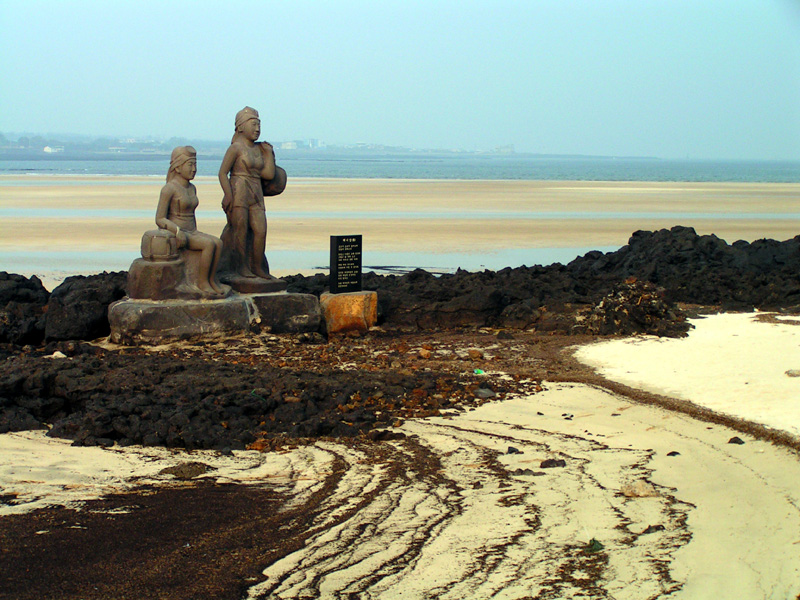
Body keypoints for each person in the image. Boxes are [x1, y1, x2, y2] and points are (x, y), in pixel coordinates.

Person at [156, 146, 228, 297]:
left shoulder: (192, 188)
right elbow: (159, 218)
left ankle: (211, 280)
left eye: (195, 164)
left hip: (192, 231)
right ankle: (202, 283)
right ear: (178, 167)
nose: (194, 169)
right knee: (208, 244)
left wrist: (196, 232)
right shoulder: (169, 189)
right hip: (180, 233)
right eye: (190, 165)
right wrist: (176, 231)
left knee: (218, 243)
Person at [218, 106, 278, 279]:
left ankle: (257, 267)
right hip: (239, 188)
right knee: (241, 230)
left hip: (256, 190)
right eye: (253, 124)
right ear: (241, 127)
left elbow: (268, 174)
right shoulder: (236, 148)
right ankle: (241, 267)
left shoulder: (259, 150)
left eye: (259, 125)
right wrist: (228, 194)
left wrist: (268, 154)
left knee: (260, 230)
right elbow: (222, 173)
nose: (257, 129)